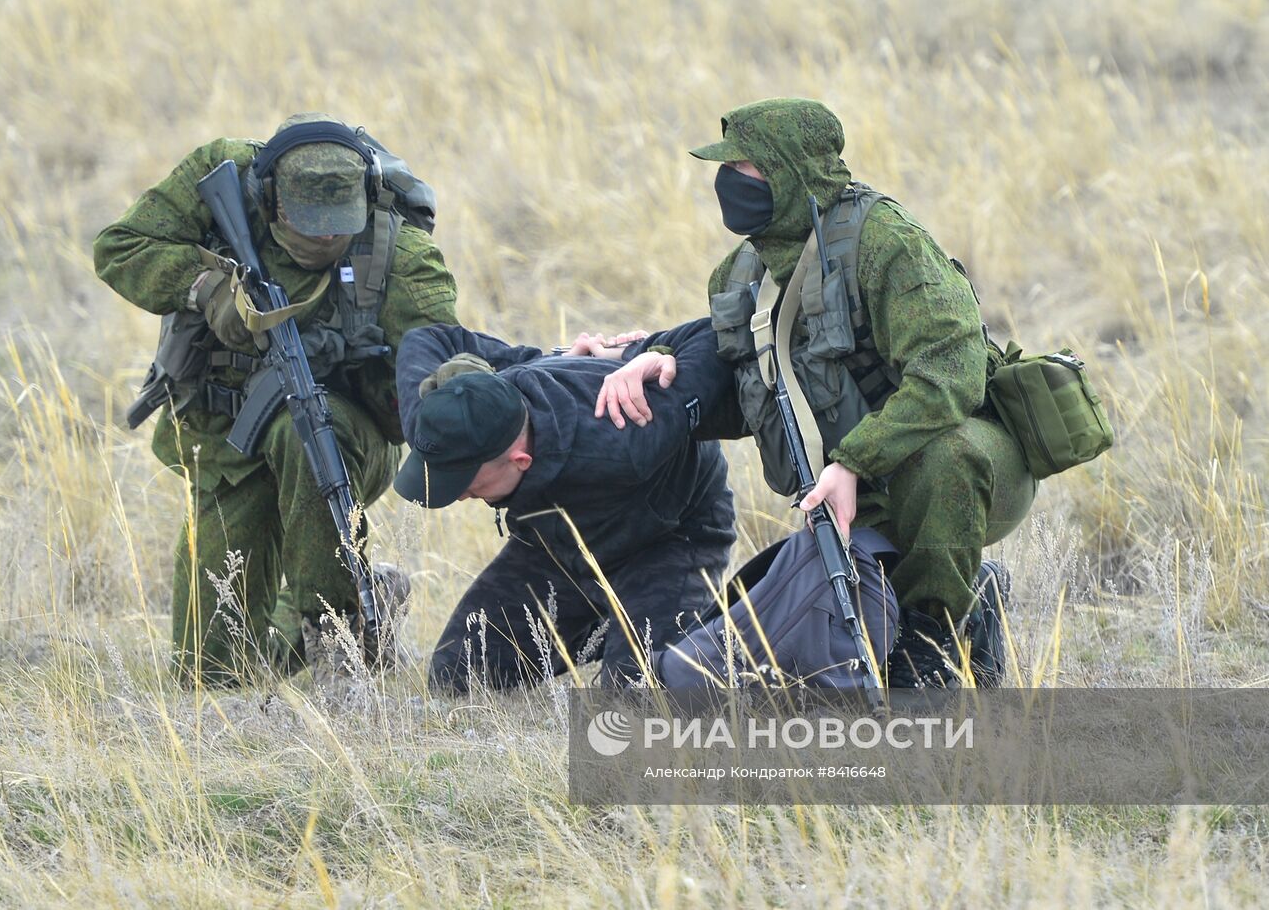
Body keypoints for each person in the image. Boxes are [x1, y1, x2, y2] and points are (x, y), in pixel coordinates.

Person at [600, 98, 1035, 687]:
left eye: (746, 167)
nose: (728, 181)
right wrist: (659, 360)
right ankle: (967, 603)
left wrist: (855, 460)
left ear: (791, 170)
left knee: (946, 458)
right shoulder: (739, 274)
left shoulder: (886, 242)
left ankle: (933, 645)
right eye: (726, 168)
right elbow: (744, 389)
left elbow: (950, 373)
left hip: (967, 468)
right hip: (846, 488)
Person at [94, 113, 458, 684]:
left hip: (341, 437)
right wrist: (205, 286)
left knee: (305, 432)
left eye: (337, 226)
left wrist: (433, 386)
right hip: (225, 433)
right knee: (212, 671)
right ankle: (369, 601)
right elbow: (119, 247)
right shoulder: (224, 177)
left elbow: (435, 356)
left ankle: (335, 635)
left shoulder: (397, 251)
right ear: (269, 201)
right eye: (307, 225)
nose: (324, 239)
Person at [391, 319, 737, 690]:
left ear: (520, 460)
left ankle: (697, 620)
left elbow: (719, 336)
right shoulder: (438, 426)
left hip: (667, 541)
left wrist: (640, 353)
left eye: (465, 482)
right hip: (558, 544)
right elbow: (427, 337)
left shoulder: (626, 434)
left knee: (634, 694)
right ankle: (615, 622)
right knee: (457, 673)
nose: (458, 495)